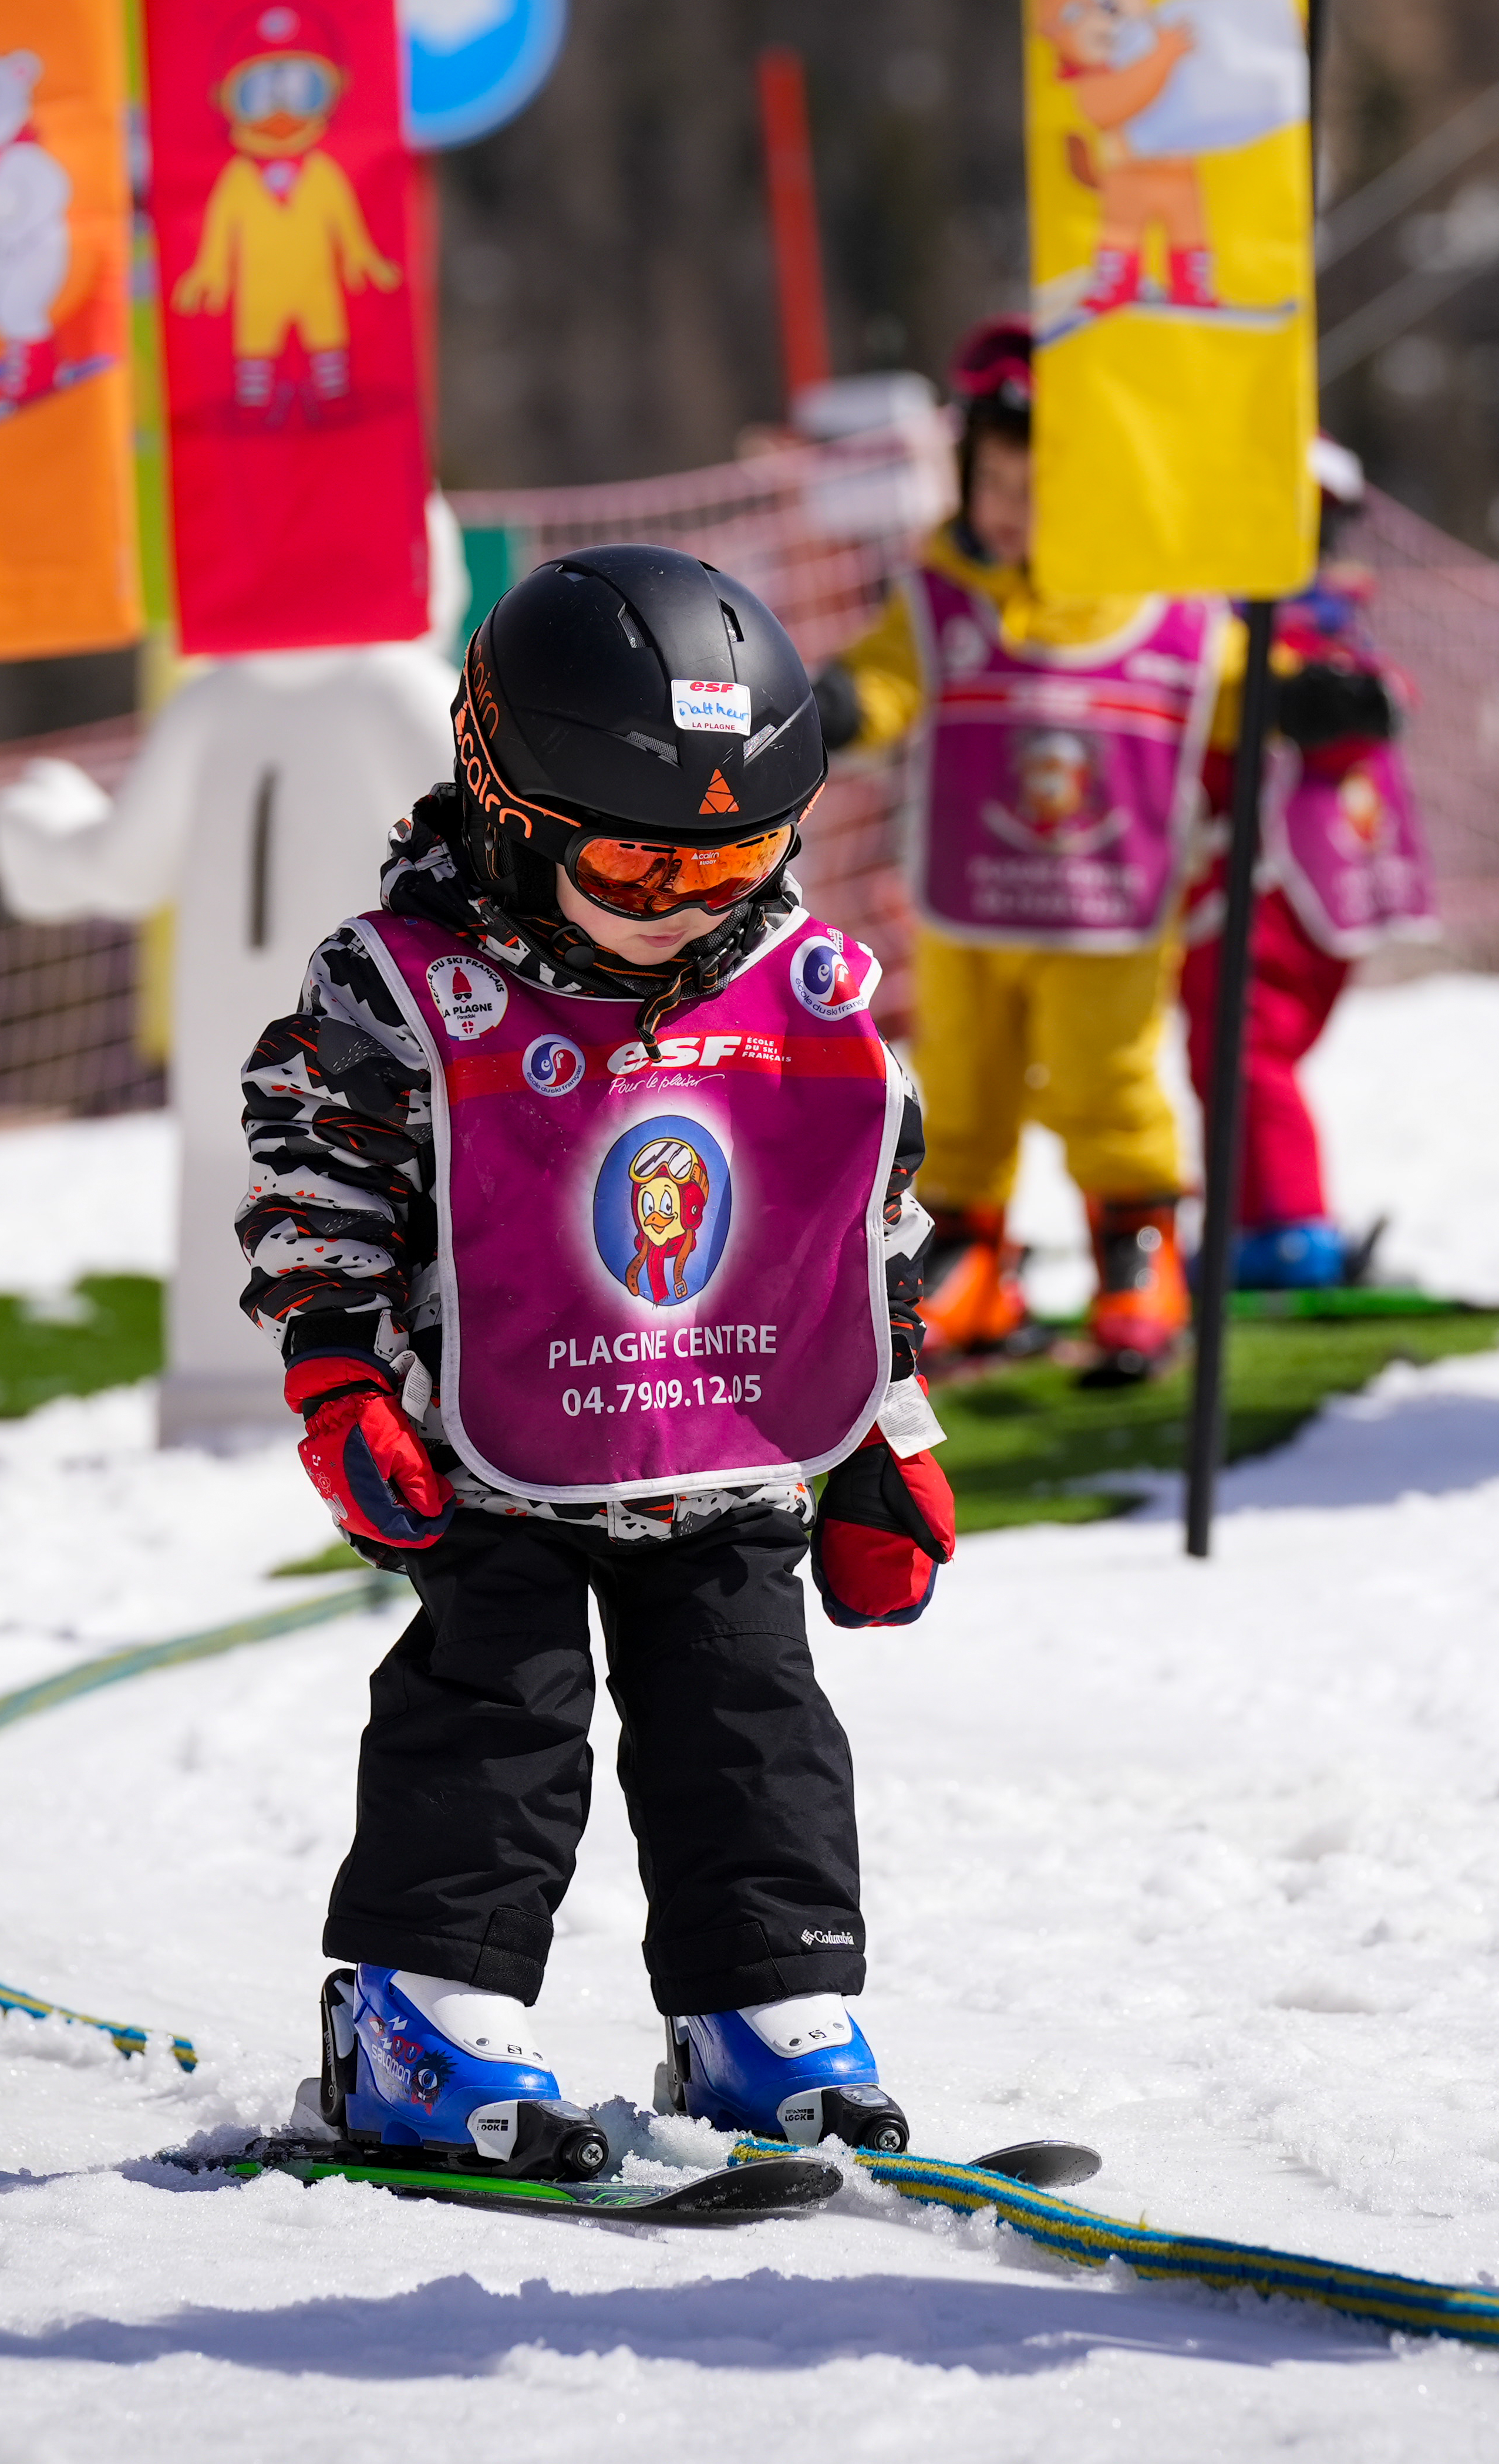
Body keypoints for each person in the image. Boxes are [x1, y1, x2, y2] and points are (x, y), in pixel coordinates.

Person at [238, 545, 957, 2176]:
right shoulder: (408, 985)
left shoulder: (801, 989)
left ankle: (766, 2012)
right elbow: (316, 1180)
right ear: (509, 807)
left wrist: (880, 1432)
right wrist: (341, 1376)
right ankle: (416, 2018)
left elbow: (847, 1227)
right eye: (641, 868)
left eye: (743, 855)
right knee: (498, 1719)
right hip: (494, 1452)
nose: (699, 905)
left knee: (754, 1721)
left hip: (723, 1441)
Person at [0, 496, 470, 1447]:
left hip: (228, 1043)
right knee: (380, 1200)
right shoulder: (398, 690)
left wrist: (44, 833)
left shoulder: (211, 698)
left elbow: (118, 864)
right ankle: (374, 1386)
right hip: (373, 1035)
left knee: (240, 1194)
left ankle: (239, 1381)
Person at [824, 316, 1244, 1381]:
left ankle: (1136, 1247)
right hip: (974, 901)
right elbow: (891, 678)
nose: (1014, 513)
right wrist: (837, 708)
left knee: (1107, 1080)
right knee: (962, 1081)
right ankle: (972, 1254)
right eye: (997, 486)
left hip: (1106, 910)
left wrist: (1315, 695)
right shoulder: (946, 600)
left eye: (1042, 488)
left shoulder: (1169, 615)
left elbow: (1237, 693)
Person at [1176, 436, 1426, 1292]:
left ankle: (1290, 1223)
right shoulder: (1233, 624)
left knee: (1248, 1045)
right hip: (1245, 874)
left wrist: (1331, 706)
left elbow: (1364, 711)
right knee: (1225, 1048)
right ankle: (1249, 1218)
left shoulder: (1308, 629)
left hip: (1279, 883)